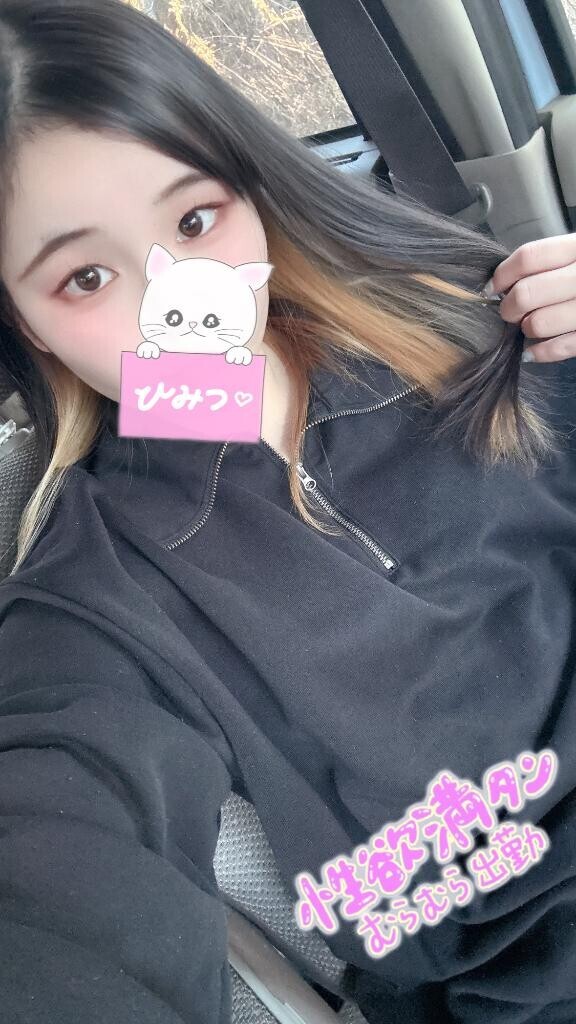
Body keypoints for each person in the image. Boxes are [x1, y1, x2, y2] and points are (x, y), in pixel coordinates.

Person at [0, 1, 575, 1021]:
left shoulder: (476, 317)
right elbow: (58, 855)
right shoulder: (93, 595)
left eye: (195, 221)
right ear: (27, 325)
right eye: (85, 276)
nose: (182, 305)